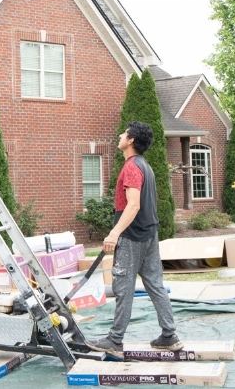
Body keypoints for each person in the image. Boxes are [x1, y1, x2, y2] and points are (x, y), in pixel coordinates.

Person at [86, 121, 182, 357]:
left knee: (123, 286)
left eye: (124, 133)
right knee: (155, 284)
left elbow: (134, 205)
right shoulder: (145, 166)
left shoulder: (131, 167)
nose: (120, 135)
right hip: (150, 234)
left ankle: (115, 340)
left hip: (132, 237)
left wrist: (114, 233)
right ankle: (169, 336)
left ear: (130, 140)